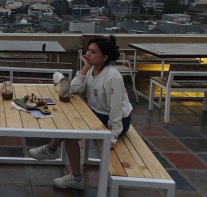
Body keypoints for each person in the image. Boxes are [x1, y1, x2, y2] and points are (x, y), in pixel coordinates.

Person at [29, 35, 133, 189]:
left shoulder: (112, 77)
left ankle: (70, 172)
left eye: (93, 52)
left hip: (116, 121)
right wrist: (85, 69)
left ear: (104, 57)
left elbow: (116, 109)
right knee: (68, 119)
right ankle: (51, 151)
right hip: (97, 115)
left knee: (71, 135)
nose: (88, 54)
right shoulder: (92, 70)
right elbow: (73, 90)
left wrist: (112, 136)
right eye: (88, 50)